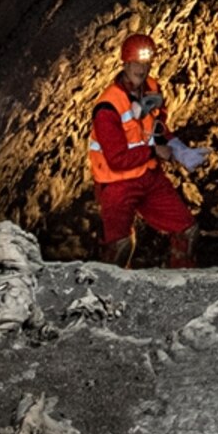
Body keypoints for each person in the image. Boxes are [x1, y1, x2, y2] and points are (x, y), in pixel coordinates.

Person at [90, 32, 207, 267]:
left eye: (146, 63)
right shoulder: (107, 107)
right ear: (125, 62)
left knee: (187, 231)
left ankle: (182, 286)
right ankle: (113, 298)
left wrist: (180, 150)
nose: (142, 69)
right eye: (136, 63)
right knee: (119, 249)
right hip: (117, 185)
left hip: (149, 176)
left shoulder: (151, 89)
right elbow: (116, 159)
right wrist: (154, 152)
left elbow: (158, 129)